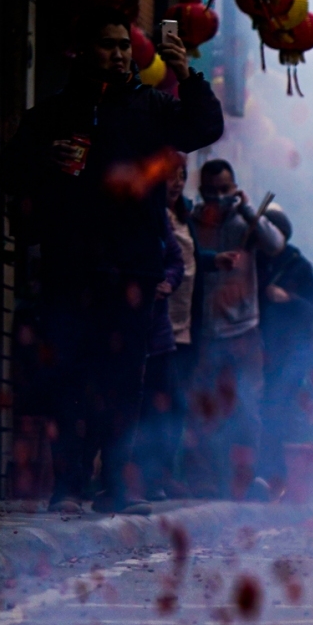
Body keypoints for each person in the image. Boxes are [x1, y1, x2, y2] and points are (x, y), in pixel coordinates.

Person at [0, 15, 222, 507]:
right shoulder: (53, 114)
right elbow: (7, 171)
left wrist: (188, 75)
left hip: (134, 268)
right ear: (83, 51)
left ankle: (115, 485)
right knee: (69, 376)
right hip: (69, 266)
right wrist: (44, 159)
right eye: (107, 45)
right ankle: (68, 485)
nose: (118, 55)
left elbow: (205, 126)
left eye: (125, 46)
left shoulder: (152, 106)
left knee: (122, 380)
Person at [187, 159, 285, 499]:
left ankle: (250, 479)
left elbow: (275, 244)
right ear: (201, 192)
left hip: (243, 329)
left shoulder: (247, 219)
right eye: (211, 191)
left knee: (247, 407)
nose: (218, 196)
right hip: (203, 329)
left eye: (224, 189)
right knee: (205, 408)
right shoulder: (194, 221)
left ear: (235, 187)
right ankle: (208, 480)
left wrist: (245, 208)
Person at [135, 156, 200, 499]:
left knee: (170, 404)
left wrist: (166, 283)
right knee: (134, 407)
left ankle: (154, 477)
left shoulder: (165, 217)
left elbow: (176, 261)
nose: (175, 183)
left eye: (180, 177)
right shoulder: (130, 213)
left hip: (161, 329)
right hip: (128, 328)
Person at [257, 205, 313, 498]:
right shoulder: (255, 262)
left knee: (277, 410)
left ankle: (276, 476)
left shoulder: (298, 265)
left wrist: (289, 298)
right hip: (256, 347)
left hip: (289, 353)